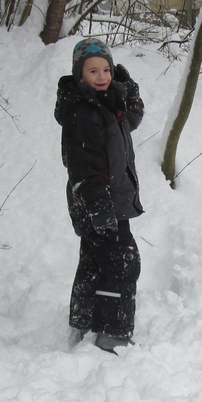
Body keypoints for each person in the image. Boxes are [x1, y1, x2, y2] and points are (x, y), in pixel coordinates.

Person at [54, 38, 144, 353]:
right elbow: (83, 169)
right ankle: (112, 332)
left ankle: (84, 318)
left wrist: (130, 91)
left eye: (106, 69)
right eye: (93, 71)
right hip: (99, 203)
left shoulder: (107, 104)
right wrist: (99, 207)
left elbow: (132, 118)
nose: (102, 76)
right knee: (122, 263)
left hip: (103, 203)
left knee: (94, 262)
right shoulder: (82, 114)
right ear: (80, 75)